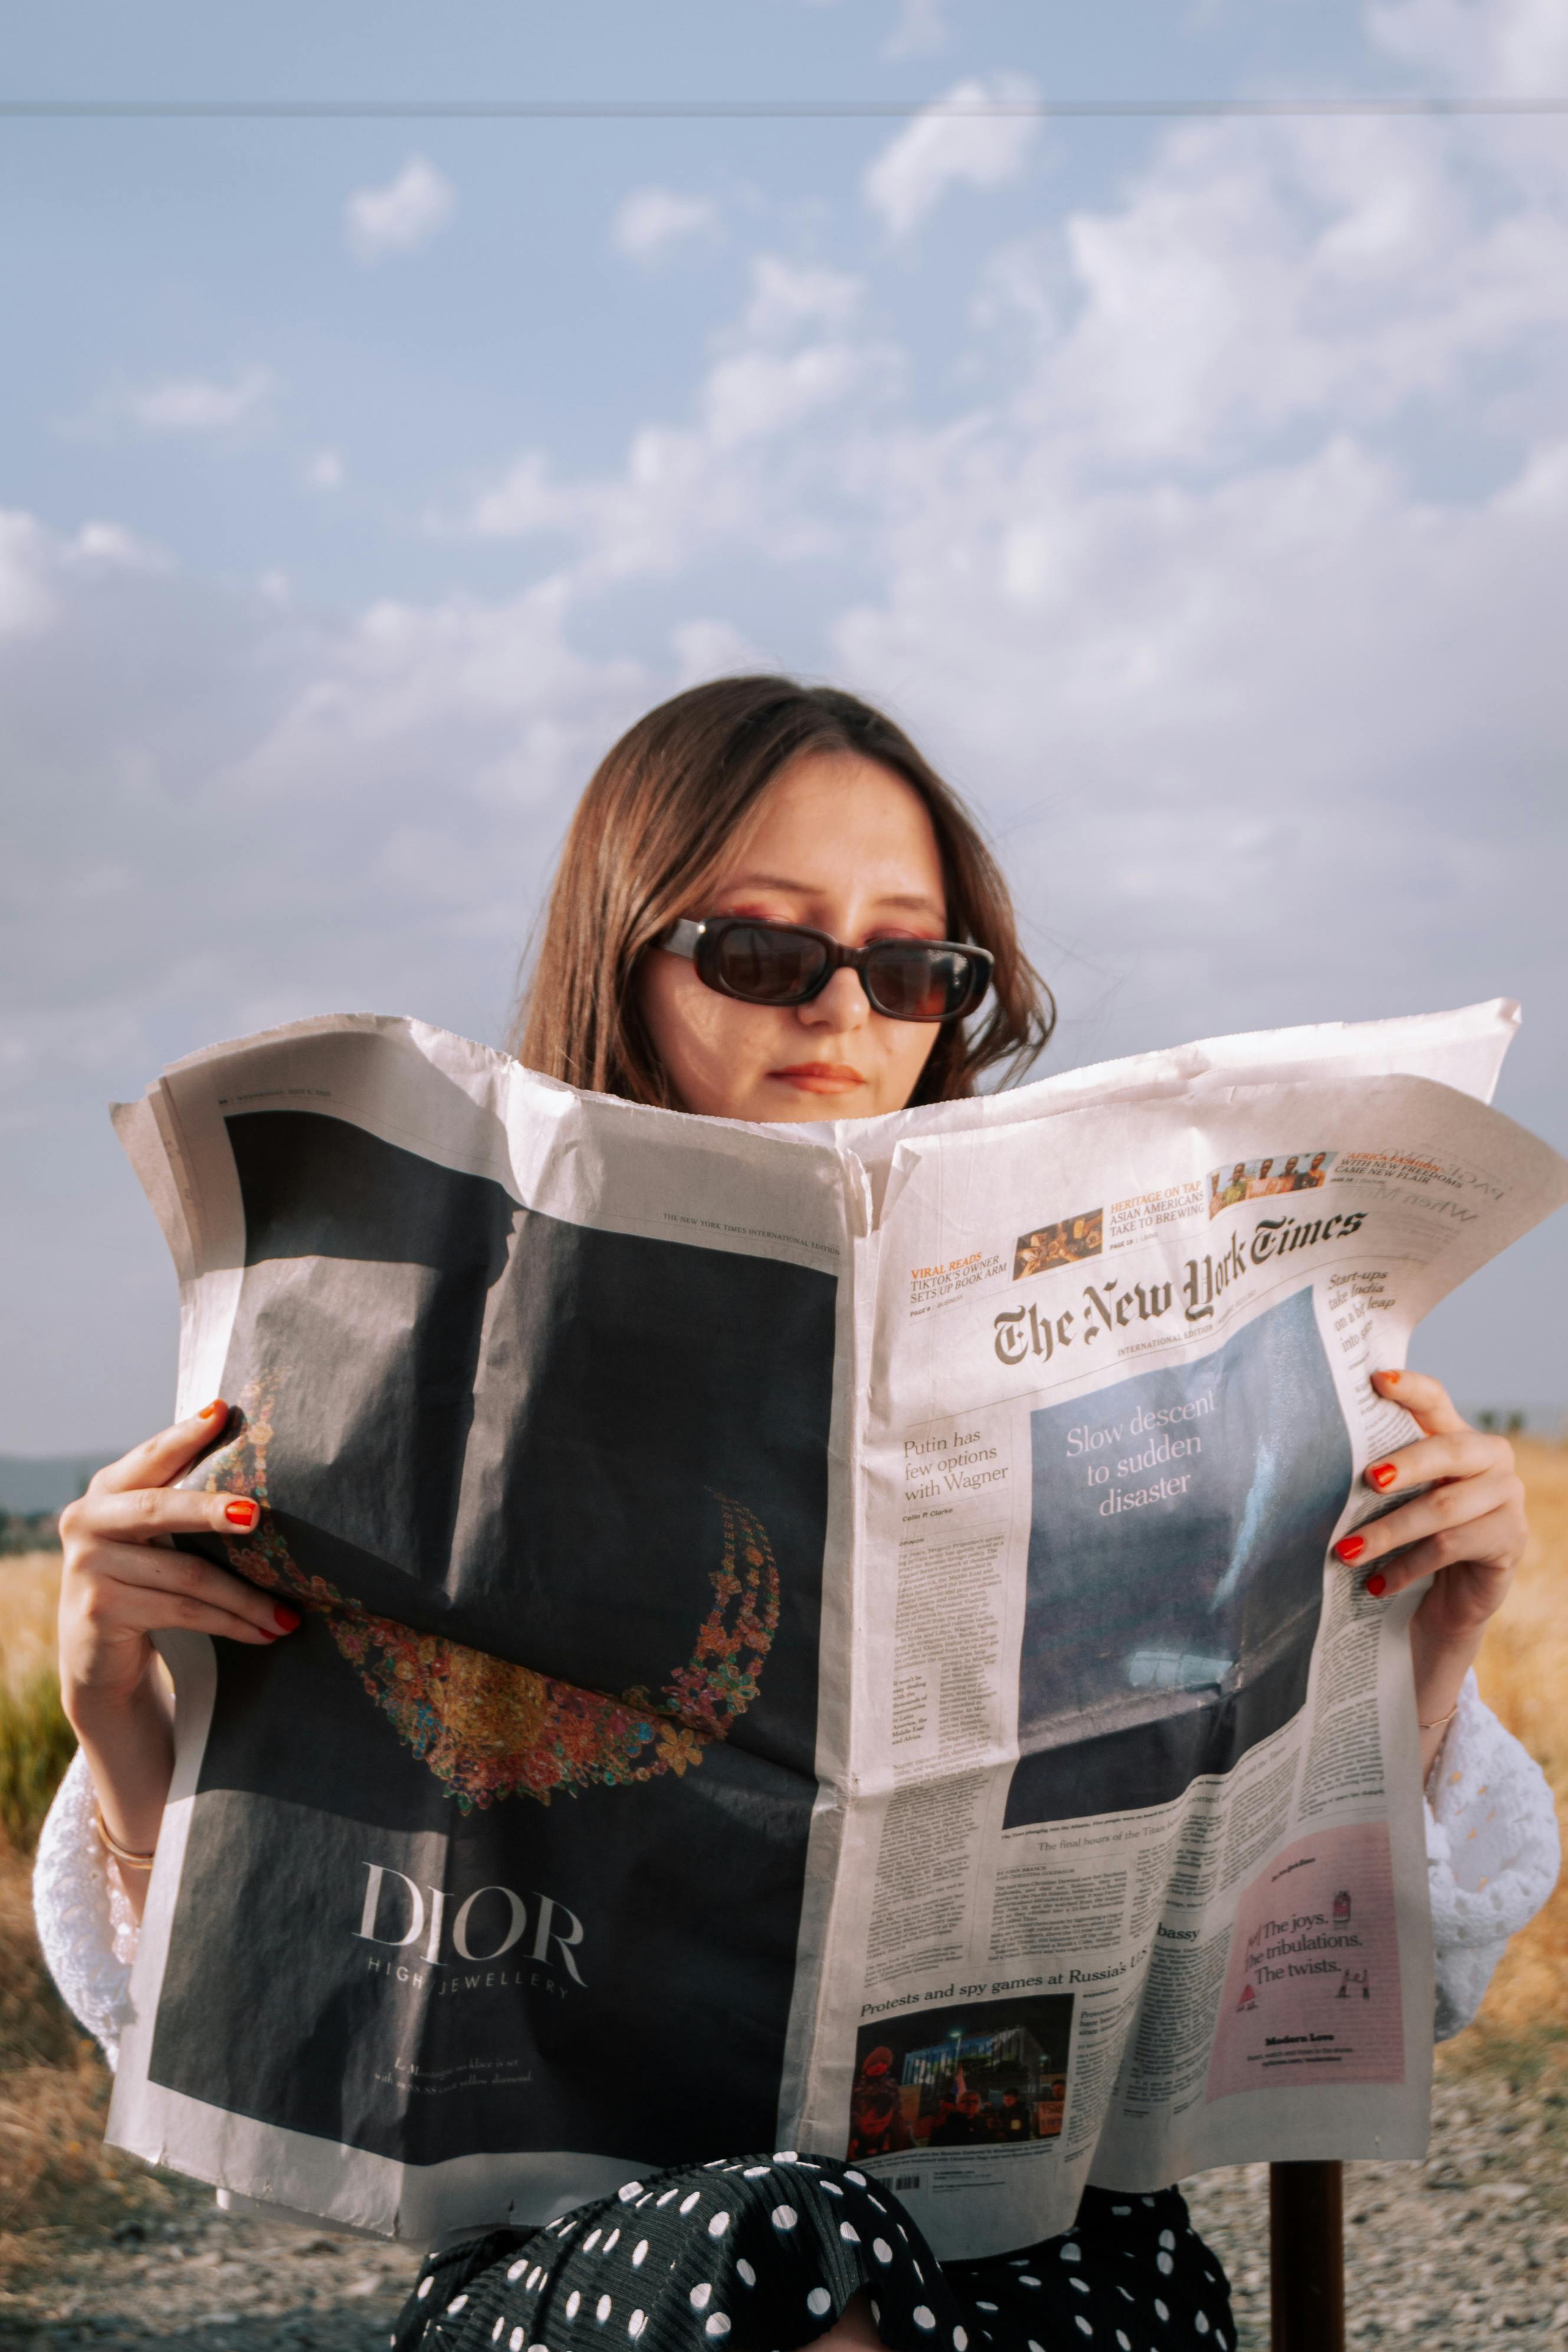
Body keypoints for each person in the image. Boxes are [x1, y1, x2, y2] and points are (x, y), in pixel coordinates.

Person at [34, 677, 1561, 2352]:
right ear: (622, 955)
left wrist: (1415, 1661)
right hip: (597, 2272)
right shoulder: (414, 1373)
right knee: (777, 2240)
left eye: (914, 966)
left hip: (1050, 2262)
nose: (846, 1011)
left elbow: (1381, 1994)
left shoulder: (1142, 1345)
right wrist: (120, 1711)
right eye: (763, 952)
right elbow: (251, 2046)